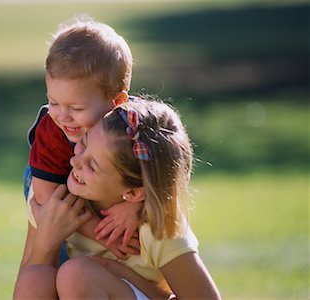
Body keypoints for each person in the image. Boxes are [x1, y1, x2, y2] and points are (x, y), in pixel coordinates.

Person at [14, 98, 221, 299]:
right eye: (83, 144)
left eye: (92, 166)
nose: (75, 161)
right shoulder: (55, 199)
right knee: (34, 278)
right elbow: (28, 289)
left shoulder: (154, 226)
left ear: (132, 194)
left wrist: (115, 270)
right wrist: (46, 241)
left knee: (77, 275)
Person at [22, 15, 142, 268]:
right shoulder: (52, 130)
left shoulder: (129, 127)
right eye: (54, 102)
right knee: (59, 254)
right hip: (52, 187)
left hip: (99, 186)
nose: (62, 116)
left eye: (76, 107)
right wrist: (103, 234)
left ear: (117, 101)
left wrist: (136, 207)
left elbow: (164, 170)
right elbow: (46, 198)